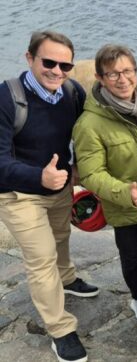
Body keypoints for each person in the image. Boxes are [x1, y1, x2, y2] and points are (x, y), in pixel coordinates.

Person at [0, 30, 98, 362]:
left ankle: (67, 277)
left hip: (58, 185)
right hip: (17, 193)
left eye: (65, 65)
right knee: (41, 258)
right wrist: (38, 175)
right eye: (49, 62)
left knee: (60, 235)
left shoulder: (72, 92)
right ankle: (60, 330)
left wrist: (81, 167)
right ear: (30, 58)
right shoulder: (7, 97)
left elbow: (86, 133)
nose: (57, 71)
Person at [73, 44, 137, 323]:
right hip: (124, 203)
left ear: (136, 72)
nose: (123, 79)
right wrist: (123, 192)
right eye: (113, 74)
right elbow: (90, 172)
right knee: (132, 254)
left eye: (127, 71)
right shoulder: (89, 124)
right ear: (100, 78)